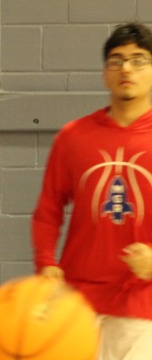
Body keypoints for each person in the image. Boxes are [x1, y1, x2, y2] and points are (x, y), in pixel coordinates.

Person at [32, 22, 152, 360]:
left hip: (143, 306)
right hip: (78, 302)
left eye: (138, 60)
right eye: (117, 60)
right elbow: (48, 209)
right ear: (105, 74)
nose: (126, 68)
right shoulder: (73, 137)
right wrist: (46, 262)